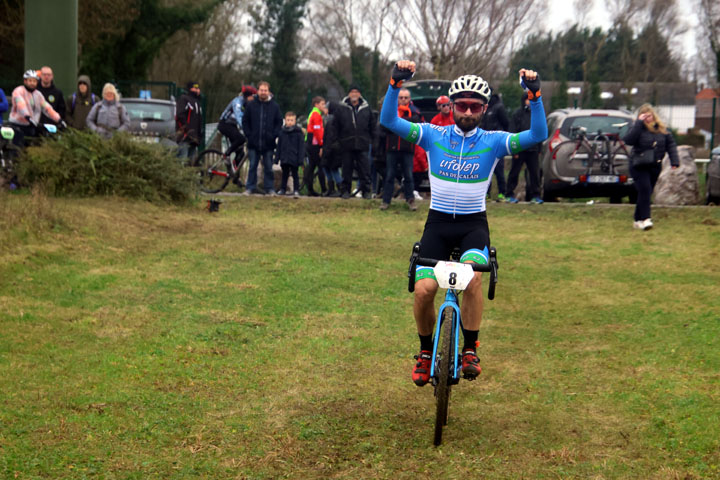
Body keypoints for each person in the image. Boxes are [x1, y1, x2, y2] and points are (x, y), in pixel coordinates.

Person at [380, 60, 547, 386]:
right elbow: (388, 120)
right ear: (453, 106)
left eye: (475, 107)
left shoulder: (494, 140)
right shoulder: (431, 134)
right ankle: (426, 351)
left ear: (484, 109)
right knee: (424, 291)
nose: (468, 112)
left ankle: (470, 348)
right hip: (438, 223)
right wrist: (394, 84)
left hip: (473, 225)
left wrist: (536, 95)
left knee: (471, 281)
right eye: (462, 106)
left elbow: (538, 134)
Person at [622, 104, 679, 230]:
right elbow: (629, 140)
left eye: (649, 115)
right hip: (639, 165)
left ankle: (637, 220)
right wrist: (638, 123)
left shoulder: (662, 130)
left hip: (654, 165)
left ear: (654, 116)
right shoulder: (636, 127)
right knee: (645, 190)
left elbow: (671, 145)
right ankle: (646, 219)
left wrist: (674, 161)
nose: (648, 118)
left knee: (646, 192)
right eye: (644, 116)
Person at [378, 88, 420, 211]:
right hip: (392, 148)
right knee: (389, 175)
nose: (403, 100)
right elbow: (384, 126)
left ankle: (410, 200)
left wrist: (396, 124)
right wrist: (400, 125)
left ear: (409, 99)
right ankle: (386, 200)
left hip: (408, 149)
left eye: (405, 98)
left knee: (408, 176)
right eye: (401, 97)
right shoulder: (391, 111)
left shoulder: (414, 112)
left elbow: (415, 128)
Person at [331, 84, 375, 199]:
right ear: (349, 94)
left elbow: (372, 127)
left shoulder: (366, 108)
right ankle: (345, 190)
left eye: (356, 92)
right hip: (346, 143)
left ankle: (366, 191)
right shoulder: (341, 109)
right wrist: (335, 142)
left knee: (364, 169)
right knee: (346, 169)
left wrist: (373, 141)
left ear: (360, 94)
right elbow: (335, 126)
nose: (354, 94)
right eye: (352, 92)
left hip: (363, 143)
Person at [242, 81, 282, 195]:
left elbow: (279, 122)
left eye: (265, 90)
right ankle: (250, 187)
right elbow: (245, 121)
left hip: (268, 143)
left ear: (268, 91)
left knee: (269, 168)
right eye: (261, 90)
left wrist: (274, 135)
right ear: (258, 91)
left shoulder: (275, 106)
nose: (263, 92)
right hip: (253, 142)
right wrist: (248, 134)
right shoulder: (251, 105)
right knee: (252, 166)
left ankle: (270, 188)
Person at [9, 70, 62, 148]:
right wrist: (27, 116)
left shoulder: (38, 94)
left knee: (31, 149)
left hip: (32, 125)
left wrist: (59, 119)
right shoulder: (18, 91)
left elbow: (47, 108)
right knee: (18, 149)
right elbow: (21, 105)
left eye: (34, 81)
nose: (32, 83)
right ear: (25, 81)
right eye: (30, 80)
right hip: (18, 125)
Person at [506, 92, 543, 204]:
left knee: (534, 174)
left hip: (533, 149)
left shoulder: (536, 114)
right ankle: (509, 194)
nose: (529, 102)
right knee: (514, 172)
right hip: (520, 149)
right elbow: (512, 131)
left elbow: (540, 132)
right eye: (527, 100)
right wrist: (514, 150)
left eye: (530, 100)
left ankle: (536, 195)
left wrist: (539, 149)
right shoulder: (517, 114)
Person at [480, 88, 510, 202]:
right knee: (486, 169)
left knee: (499, 169)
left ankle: (502, 193)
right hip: (486, 142)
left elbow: (506, 123)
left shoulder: (498, 107)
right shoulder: (484, 108)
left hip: (497, 142)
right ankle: (486, 194)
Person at [217, 86, 255, 165]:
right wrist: (246, 129)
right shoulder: (237, 101)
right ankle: (226, 155)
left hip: (233, 126)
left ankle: (233, 174)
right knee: (241, 139)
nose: (253, 98)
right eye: (252, 96)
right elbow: (239, 117)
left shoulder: (246, 103)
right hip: (225, 124)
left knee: (240, 154)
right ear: (248, 95)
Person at [276, 111, 305, 197]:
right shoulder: (282, 133)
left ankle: (296, 189)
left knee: (295, 174)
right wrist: (277, 158)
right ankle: (283, 189)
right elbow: (279, 147)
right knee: (284, 174)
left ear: (295, 121)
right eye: (288, 120)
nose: (290, 122)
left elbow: (301, 147)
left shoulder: (298, 133)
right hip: (284, 157)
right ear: (285, 120)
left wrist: (300, 159)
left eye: (292, 120)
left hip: (294, 157)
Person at [304, 96, 329, 197]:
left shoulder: (313, 113)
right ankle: (324, 189)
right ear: (316, 105)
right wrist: (321, 145)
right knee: (320, 166)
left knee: (312, 167)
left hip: (310, 142)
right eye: (322, 104)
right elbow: (318, 131)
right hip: (314, 144)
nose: (324, 106)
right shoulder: (316, 115)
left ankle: (310, 189)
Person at [176, 81, 203, 161]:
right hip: (185, 137)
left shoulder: (197, 103)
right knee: (182, 160)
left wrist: (199, 135)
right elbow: (180, 115)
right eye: (195, 88)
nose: (198, 90)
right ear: (190, 89)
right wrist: (187, 129)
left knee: (191, 163)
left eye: (198, 88)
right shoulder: (184, 99)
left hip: (194, 139)